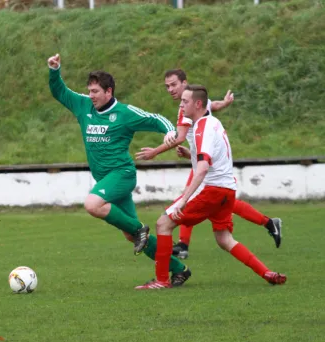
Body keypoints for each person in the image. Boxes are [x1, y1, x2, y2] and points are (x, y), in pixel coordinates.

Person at [47, 54, 191, 287]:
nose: (91, 96)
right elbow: (60, 92)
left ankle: (140, 229)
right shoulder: (84, 105)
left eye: (95, 91)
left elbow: (155, 119)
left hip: (122, 175)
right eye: (90, 91)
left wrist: (168, 133)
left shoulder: (125, 113)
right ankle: (179, 269)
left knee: (92, 204)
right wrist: (54, 71)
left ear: (109, 92)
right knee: (130, 235)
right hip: (106, 178)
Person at [135, 85, 287, 289]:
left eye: (185, 102)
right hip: (227, 190)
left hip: (212, 190)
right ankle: (266, 273)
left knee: (163, 223)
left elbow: (203, 169)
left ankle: (162, 281)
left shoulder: (201, 128)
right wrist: (191, 156)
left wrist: (184, 199)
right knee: (224, 239)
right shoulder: (214, 123)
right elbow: (212, 160)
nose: (181, 105)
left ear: (198, 104)